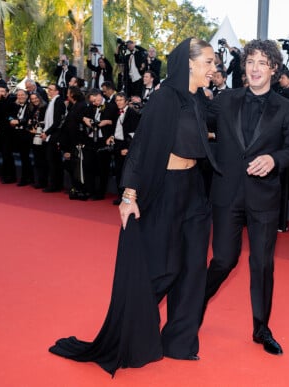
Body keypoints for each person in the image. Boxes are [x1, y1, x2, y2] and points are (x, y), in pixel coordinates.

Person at [49, 37, 219, 375]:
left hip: (194, 189)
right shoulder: (166, 98)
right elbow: (141, 147)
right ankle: (133, 332)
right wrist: (129, 196)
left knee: (193, 267)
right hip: (166, 189)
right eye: (210, 62)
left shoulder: (199, 98)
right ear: (189, 63)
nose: (214, 69)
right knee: (164, 268)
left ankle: (179, 343)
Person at [203, 39, 289, 356]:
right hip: (227, 194)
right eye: (250, 62)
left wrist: (274, 159)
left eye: (262, 62)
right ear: (244, 67)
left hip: (263, 198)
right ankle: (194, 303)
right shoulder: (225, 100)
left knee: (262, 263)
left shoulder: (286, 107)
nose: (255, 68)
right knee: (223, 259)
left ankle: (261, 328)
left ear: (273, 68)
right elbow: (194, 117)